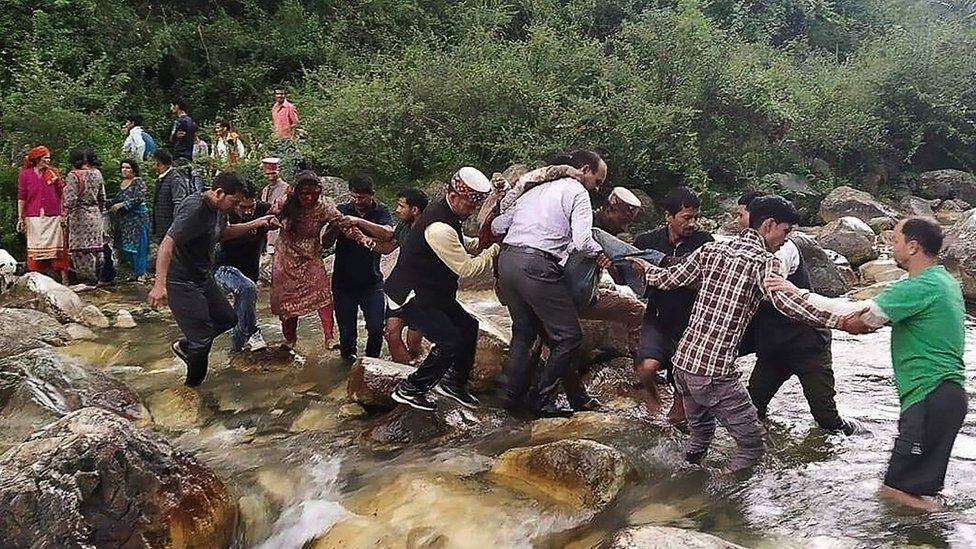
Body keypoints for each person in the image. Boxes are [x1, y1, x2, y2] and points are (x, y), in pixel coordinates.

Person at [629, 195, 848, 474]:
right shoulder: (765, 263)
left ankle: (682, 478)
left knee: (701, 433)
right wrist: (840, 321)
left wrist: (647, 269)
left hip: (683, 364)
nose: (785, 239)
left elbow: (667, 279)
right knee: (752, 445)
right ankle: (717, 496)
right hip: (712, 373)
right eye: (786, 231)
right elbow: (787, 304)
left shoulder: (711, 251)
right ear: (769, 225)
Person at [766, 217, 967, 510]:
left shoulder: (920, 286)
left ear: (912, 247)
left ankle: (949, 526)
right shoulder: (945, 281)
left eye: (895, 241)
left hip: (929, 397)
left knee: (894, 492)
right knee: (921, 492)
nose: (891, 247)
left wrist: (795, 292)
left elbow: (860, 314)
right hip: (947, 398)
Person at [491, 149, 611, 418]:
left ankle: (507, 394)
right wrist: (601, 254)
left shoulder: (535, 190)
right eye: (598, 181)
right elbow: (582, 241)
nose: (598, 188)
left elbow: (499, 226)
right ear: (584, 170)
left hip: (507, 263)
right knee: (569, 337)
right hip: (536, 265)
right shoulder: (578, 192)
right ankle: (541, 399)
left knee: (525, 330)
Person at [733, 191, 858, 435]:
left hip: (808, 346)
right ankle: (764, 448)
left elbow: (776, 290)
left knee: (827, 419)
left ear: (761, 220)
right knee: (752, 407)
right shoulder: (744, 251)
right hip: (773, 348)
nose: (738, 221)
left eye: (741, 215)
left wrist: (839, 321)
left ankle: (856, 442)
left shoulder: (783, 251)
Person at [385, 167, 499, 411]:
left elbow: (459, 243)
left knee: (469, 326)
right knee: (449, 341)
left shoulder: (447, 213)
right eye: (469, 206)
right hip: (411, 295)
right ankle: (410, 389)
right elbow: (467, 270)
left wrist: (479, 244)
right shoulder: (439, 226)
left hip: (433, 291)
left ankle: (454, 383)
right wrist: (495, 249)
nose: (471, 212)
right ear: (455, 196)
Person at [148, 171, 272, 386]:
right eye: (234, 201)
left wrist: (258, 223)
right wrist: (159, 285)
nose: (235, 207)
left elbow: (224, 233)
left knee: (228, 319)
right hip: (181, 278)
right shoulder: (195, 209)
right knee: (202, 337)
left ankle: (187, 346)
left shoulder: (220, 209)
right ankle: (192, 390)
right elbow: (167, 244)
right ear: (219, 193)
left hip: (202, 275)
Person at [632, 186, 714, 423]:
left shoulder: (704, 242)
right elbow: (627, 277)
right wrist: (614, 266)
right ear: (668, 217)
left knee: (682, 385)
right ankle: (652, 396)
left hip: (692, 321)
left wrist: (663, 267)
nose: (693, 223)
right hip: (657, 316)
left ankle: (679, 421)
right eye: (686, 218)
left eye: (696, 217)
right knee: (647, 368)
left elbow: (703, 278)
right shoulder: (647, 241)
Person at [270, 171, 373, 350]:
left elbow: (344, 224)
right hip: (285, 257)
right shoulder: (285, 202)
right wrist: (274, 222)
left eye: (314, 194)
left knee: (323, 294)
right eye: (305, 194)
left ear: (320, 192)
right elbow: (269, 216)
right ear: (296, 193)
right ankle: (290, 340)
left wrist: (361, 238)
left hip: (311, 256)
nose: (309, 198)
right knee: (287, 306)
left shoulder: (324, 206)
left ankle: (329, 337)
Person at [328, 172, 394, 363]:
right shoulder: (341, 209)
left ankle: (372, 364)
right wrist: (336, 226)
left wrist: (357, 221)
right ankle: (347, 371)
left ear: (372, 194)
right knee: (347, 335)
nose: (357, 201)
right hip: (343, 284)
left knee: (375, 328)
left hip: (371, 282)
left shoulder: (381, 211)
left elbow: (388, 234)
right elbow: (325, 243)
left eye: (362, 197)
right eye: (354, 196)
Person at [214, 182, 272, 352]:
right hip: (224, 268)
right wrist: (256, 223)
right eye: (242, 207)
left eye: (251, 207)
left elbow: (284, 211)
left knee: (242, 312)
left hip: (250, 270)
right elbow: (222, 235)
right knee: (246, 288)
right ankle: (253, 331)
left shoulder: (264, 209)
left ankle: (235, 352)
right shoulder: (227, 211)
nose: (247, 211)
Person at [373, 188, 429, 364]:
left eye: (401, 206)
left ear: (414, 210)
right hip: (399, 287)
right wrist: (363, 240)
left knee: (413, 343)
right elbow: (388, 248)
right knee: (390, 334)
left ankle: (421, 364)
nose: (397, 210)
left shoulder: (432, 230)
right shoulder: (404, 227)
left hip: (421, 292)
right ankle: (406, 376)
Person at [16, 146, 69, 284]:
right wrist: (20, 217)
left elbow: (61, 193)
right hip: (33, 216)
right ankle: (36, 279)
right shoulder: (25, 174)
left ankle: (64, 280)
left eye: (48, 158)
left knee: (57, 248)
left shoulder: (53, 172)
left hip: (53, 215)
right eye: (45, 158)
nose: (48, 160)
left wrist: (63, 213)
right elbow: (22, 196)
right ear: (38, 159)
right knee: (36, 248)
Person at [63, 149, 108, 283]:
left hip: (79, 217)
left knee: (81, 251)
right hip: (95, 215)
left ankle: (87, 281)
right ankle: (98, 278)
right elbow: (102, 197)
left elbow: (70, 199)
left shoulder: (73, 176)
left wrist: (64, 215)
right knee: (96, 249)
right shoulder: (97, 174)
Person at [109, 159, 149, 280]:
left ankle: (141, 273)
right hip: (125, 220)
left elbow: (139, 198)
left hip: (137, 219)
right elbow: (116, 199)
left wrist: (123, 205)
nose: (124, 170)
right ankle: (133, 272)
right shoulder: (122, 184)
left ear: (134, 170)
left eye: (128, 168)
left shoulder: (138, 182)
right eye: (123, 168)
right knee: (126, 247)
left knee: (139, 246)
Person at [151, 149, 193, 240]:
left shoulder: (175, 178)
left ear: (158, 163)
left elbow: (179, 202)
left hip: (170, 229)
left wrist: (175, 227)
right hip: (163, 227)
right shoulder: (162, 178)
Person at [259, 157, 289, 250]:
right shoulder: (265, 190)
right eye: (267, 174)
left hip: (281, 232)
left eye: (273, 173)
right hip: (266, 233)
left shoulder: (286, 189)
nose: (270, 177)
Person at [169, 97, 196, 166]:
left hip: (180, 155)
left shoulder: (180, 122)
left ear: (177, 106)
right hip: (189, 154)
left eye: (172, 106)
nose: (171, 108)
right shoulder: (190, 121)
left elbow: (173, 139)